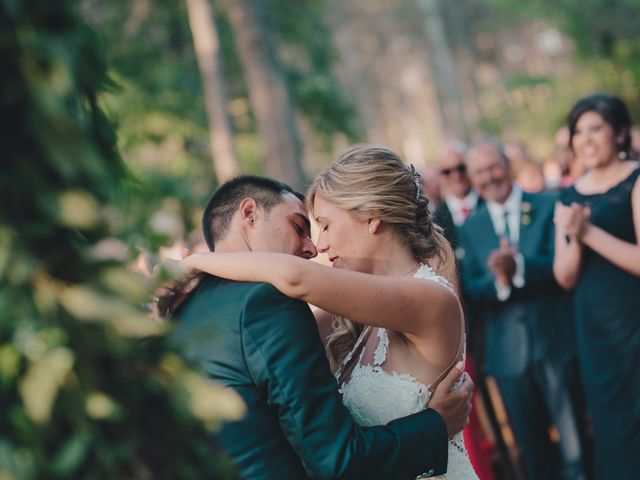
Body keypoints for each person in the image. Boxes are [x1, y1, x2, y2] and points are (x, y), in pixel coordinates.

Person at [179, 147, 479, 479]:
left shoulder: (431, 298)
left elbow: (295, 277)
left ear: (372, 215)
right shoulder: (348, 317)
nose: (319, 245)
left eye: (324, 225)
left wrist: (192, 262)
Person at [459, 141, 587, 479]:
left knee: (577, 450)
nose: (489, 177)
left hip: (556, 344)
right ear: (472, 178)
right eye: (479, 172)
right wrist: (500, 280)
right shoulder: (470, 228)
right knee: (534, 456)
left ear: (507, 165)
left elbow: (565, 269)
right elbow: (471, 286)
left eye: (493, 167)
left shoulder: (548, 204)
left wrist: (519, 267)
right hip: (507, 358)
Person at [554, 93, 640, 479]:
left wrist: (587, 232)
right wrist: (573, 238)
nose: (585, 139)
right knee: (611, 425)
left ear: (619, 132)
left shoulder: (635, 181)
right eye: (578, 132)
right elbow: (564, 276)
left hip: (634, 319)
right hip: (594, 330)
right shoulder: (569, 195)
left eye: (596, 129)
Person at [433, 142, 480, 253]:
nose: (456, 176)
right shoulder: (435, 222)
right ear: (439, 176)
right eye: (447, 172)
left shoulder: (491, 204)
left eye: (461, 168)